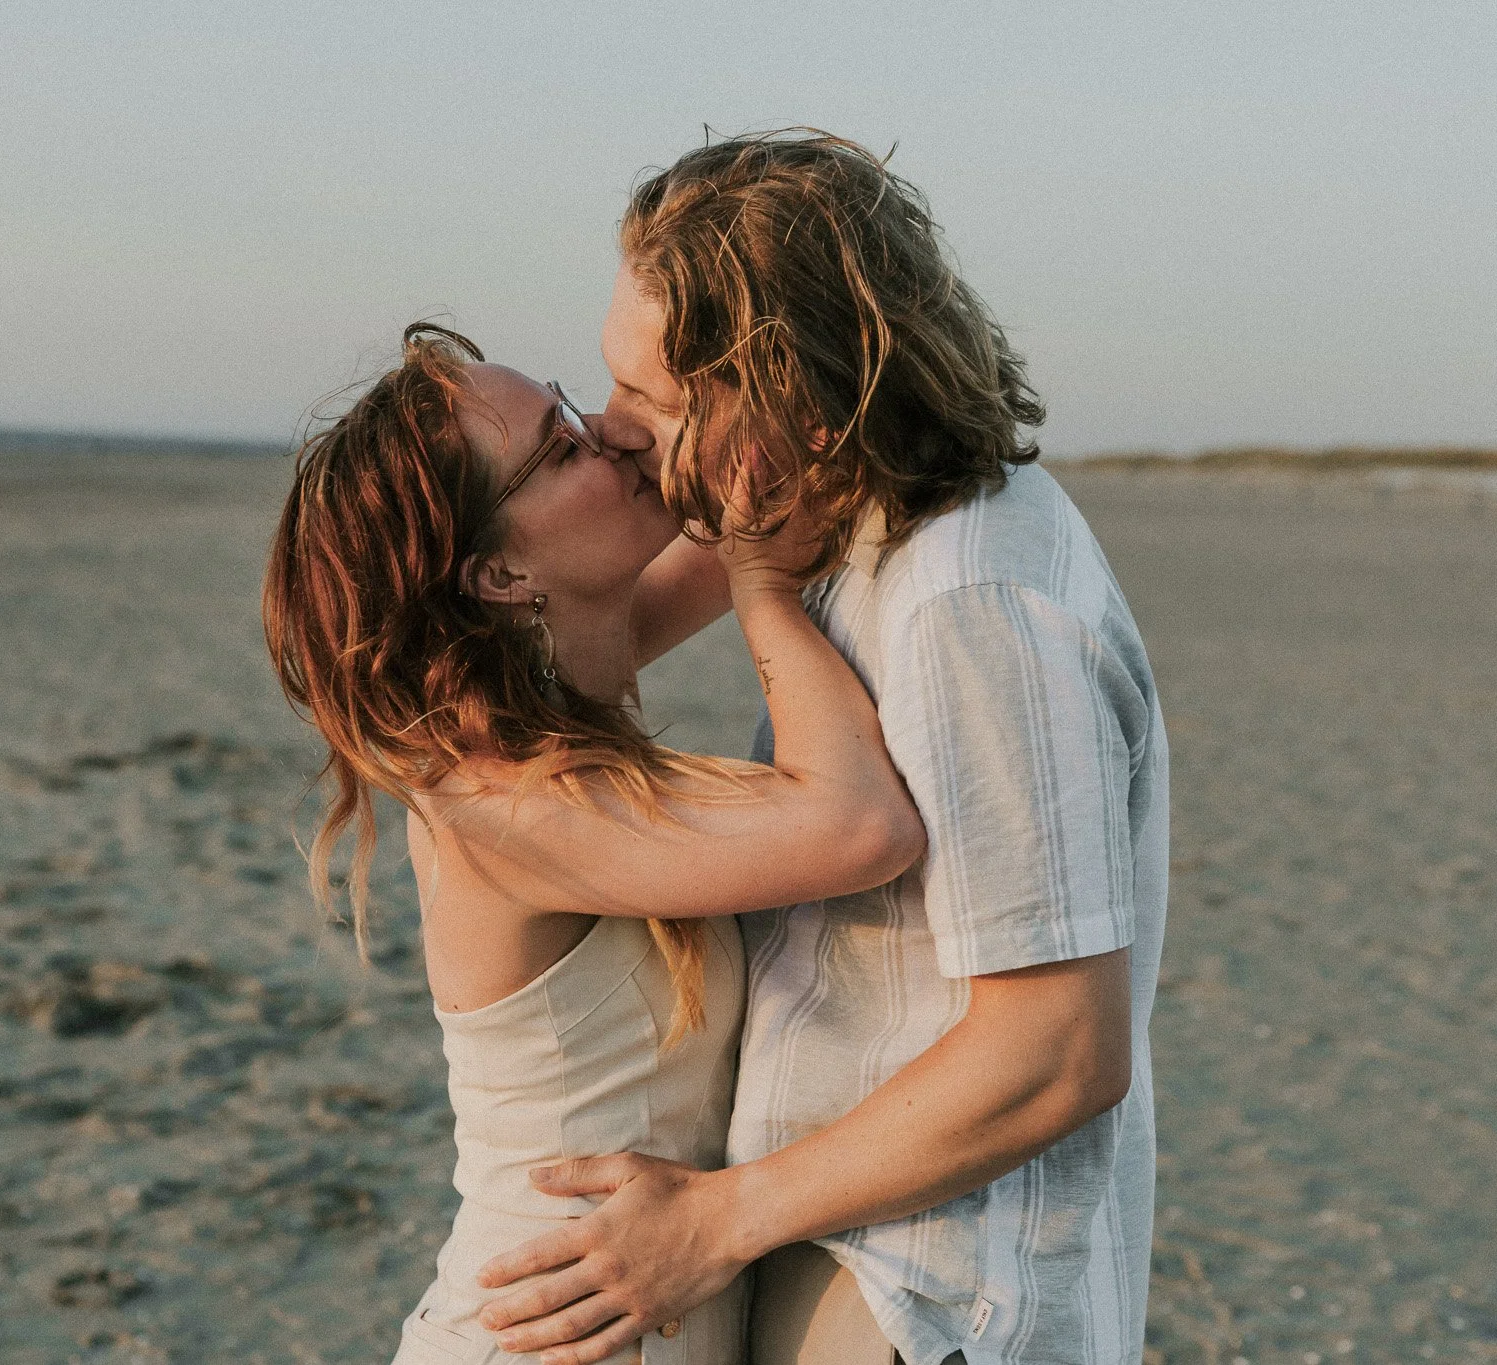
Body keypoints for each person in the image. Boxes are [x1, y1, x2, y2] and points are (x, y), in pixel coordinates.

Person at [476, 131, 1170, 1365]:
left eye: (659, 402)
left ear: (795, 391)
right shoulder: (839, 513)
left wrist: (710, 1223)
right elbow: (604, 628)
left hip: (932, 1297)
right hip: (858, 1250)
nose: (616, 428)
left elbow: (1058, 1050)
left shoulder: (969, 604)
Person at [261, 323, 928, 1365]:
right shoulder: (507, 803)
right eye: (560, 449)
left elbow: (773, 494)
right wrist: (763, 589)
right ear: (497, 572)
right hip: (545, 1337)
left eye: (575, 407)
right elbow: (862, 826)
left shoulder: (551, 704)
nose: (613, 438)